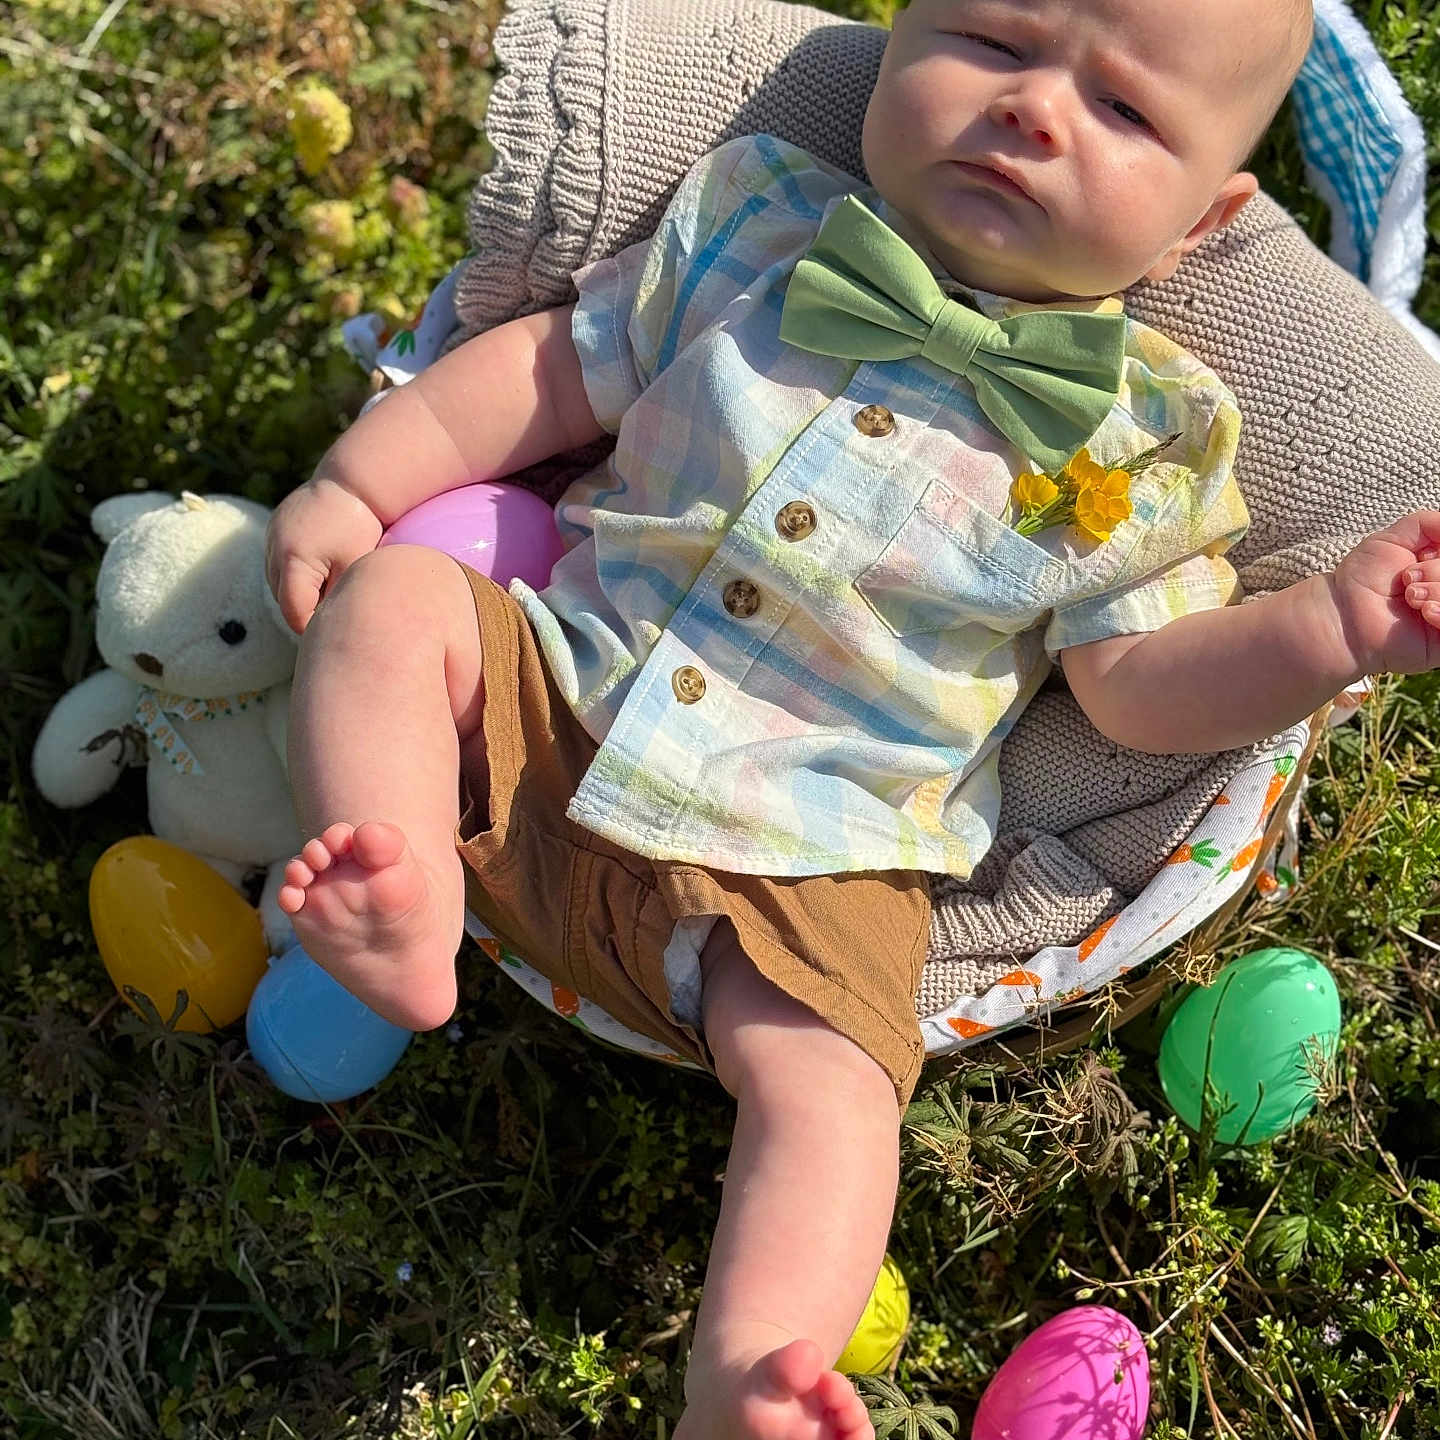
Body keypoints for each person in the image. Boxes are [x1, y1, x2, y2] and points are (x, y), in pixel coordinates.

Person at [266, 0, 1438, 1434]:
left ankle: (746, 1380)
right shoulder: (756, 218)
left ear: (1205, 220)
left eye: (1126, 113)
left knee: (833, 1101)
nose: (1034, 112)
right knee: (393, 604)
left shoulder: (1145, 436)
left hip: (822, 854)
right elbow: (546, 373)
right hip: (567, 695)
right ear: (888, 46)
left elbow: (1140, 690)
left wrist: (1324, 631)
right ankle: (403, 879)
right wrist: (354, 480)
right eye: (993, 45)